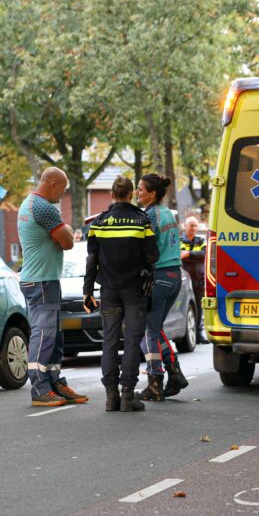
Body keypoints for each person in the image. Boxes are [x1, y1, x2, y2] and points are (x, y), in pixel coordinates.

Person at [83, 176, 158, 412]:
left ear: (111, 194)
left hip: (109, 290)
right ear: (131, 194)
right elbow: (153, 255)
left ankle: (111, 396)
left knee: (110, 342)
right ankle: (128, 395)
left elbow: (91, 260)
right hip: (135, 289)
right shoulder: (142, 221)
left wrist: (88, 291)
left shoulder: (99, 223)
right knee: (133, 342)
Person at [17, 166, 88, 407]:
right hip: (42, 281)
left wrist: (62, 230)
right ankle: (39, 386)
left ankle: (55, 381)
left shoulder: (28, 204)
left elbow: (62, 237)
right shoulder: (43, 208)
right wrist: (65, 229)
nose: (63, 194)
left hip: (40, 279)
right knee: (45, 333)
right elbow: (68, 242)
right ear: (52, 184)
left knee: (55, 335)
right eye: (63, 189)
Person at [136, 173, 189, 401]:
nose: (137, 192)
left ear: (152, 193)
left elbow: (145, 248)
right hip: (174, 275)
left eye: (140, 189)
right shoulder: (168, 213)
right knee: (155, 329)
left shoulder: (149, 216)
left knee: (149, 331)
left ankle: (155, 382)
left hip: (158, 277)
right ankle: (174, 373)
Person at [180, 215, 209, 344]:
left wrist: (188, 254)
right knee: (186, 306)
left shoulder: (201, 241)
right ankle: (186, 333)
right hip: (184, 279)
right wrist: (192, 256)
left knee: (198, 306)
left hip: (198, 279)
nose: (193, 228)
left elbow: (205, 254)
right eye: (191, 225)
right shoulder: (179, 240)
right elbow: (178, 255)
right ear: (185, 226)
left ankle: (198, 333)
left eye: (195, 225)